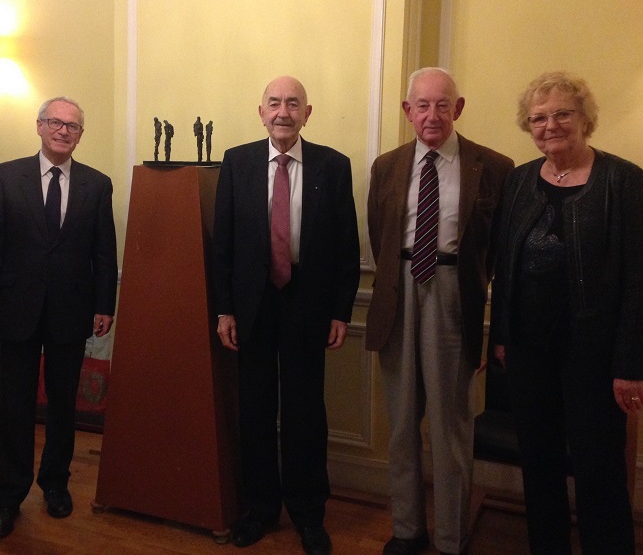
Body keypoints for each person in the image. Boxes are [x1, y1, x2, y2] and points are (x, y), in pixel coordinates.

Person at [489, 72, 643, 554]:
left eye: (562, 113)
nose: (550, 126)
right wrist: (501, 337)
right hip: (529, 352)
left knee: (598, 469)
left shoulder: (622, 180)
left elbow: (641, 280)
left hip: (595, 359)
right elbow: (505, 265)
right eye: (538, 118)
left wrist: (629, 365)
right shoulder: (519, 180)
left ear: (585, 118)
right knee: (539, 464)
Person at [366, 67, 513, 555]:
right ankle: (408, 530)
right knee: (401, 426)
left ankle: (452, 538)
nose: (432, 115)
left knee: (451, 426)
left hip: (454, 296)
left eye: (442, 104)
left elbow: (499, 249)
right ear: (408, 111)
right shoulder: (386, 166)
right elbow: (380, 235)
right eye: (422, 105)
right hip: (398, 294)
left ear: (458, 108)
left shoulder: (495, 167)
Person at [213, 76, 359, 555]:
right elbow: (223, 244)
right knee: (254, 411)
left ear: (307, 113)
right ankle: (259, 509)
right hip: (252, 306)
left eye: (292, 104)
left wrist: (340, 311)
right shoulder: (236, 162)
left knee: (305, 414)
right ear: (261, 113)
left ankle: (308, 513)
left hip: (307, 304)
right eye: (274, 103)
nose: (283, 112)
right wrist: (225, 308)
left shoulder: (333, 166)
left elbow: (346, 246)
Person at [0, 96, 118, 540]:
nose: (63, 131)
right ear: (39, 126)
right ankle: (8, 496)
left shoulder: (97, 184)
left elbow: (104, 253)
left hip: (71, 312)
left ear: (80, 135)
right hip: (16, 309)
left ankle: (55, 484)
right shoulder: (6, 176)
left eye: (72, 126)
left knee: (62, 404)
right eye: (55, 122)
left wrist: (105, 305)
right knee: (14, 406)